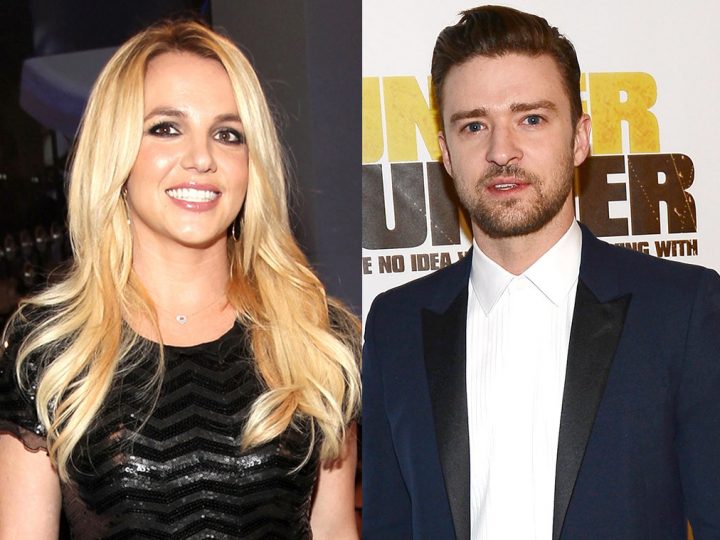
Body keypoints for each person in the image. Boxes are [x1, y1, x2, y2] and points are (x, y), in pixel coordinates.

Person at [362, 5, 720, 540]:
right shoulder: (395, 324)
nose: (501, 151)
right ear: (447, 155)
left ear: (579, 138)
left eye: (531, 119)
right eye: (474, 125)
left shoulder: (681, 309)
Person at [0, 20, 360, 539]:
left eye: (227, 134)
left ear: (251, 163)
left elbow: (335, 531)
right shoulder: (51, 348)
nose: (201, 158)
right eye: (166, 128)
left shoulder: (312, 336)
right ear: (116, 151)